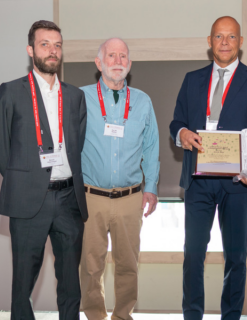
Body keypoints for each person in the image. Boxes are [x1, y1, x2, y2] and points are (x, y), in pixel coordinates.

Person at [170, 16, 247, 320]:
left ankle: (231, 316)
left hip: (237, 182)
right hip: (198, 181)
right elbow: (177, 122)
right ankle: (192, 315)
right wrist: (182, 134)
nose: (224, 42)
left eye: (230, 37)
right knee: (193, 254)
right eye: (218, 36)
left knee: (236, 257)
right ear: (209, 41)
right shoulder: (192, 79)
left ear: (240, 42)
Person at [0, 20, 88, 320]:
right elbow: (0, 148)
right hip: (28, 201)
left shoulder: (74, 96)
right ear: (31, 49)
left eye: (57, 45)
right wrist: (26, 182)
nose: (52, 51)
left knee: (71, 284)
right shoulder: (11, 92)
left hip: (69, 200)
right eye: (45, 44)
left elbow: (77, 145)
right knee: (22, 286)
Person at [80, 38, 159, 320]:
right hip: (91, 198)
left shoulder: (143, 101)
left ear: (130, 64)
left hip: (130, 199)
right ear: (99, 63)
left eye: (123, 56)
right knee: (91, 266)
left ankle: (123, 316)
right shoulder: (81, 97)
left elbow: (151, 148)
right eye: (111, 55)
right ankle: (95, 316)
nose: (117, 61)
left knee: (128, 265)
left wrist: (150, 188)